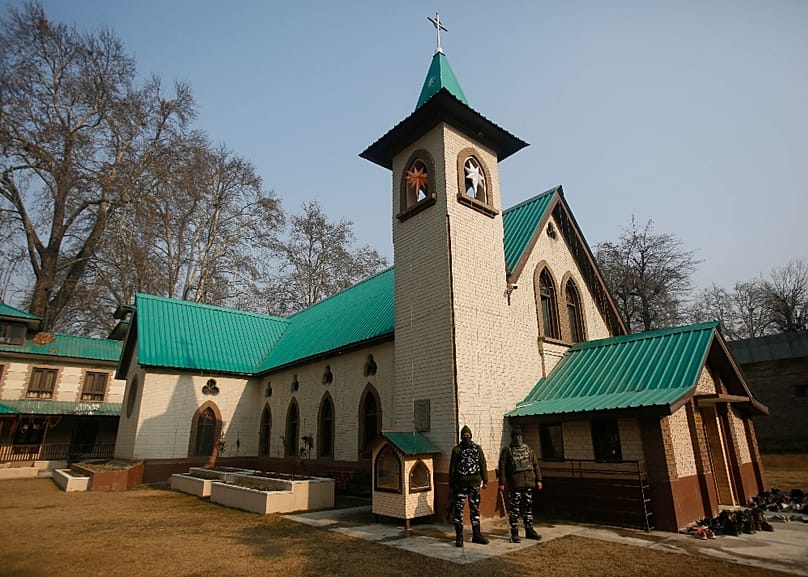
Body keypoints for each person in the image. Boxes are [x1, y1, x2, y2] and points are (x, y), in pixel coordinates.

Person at [498, 425, 543, 543]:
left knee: (528, 508)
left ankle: (529, 530)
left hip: (528, 483)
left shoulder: (528, 449)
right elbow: (502, 467)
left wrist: (539, 480)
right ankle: (515, 532)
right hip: (515, 484)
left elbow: (535, 465)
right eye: (516, 436)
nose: (518, 438)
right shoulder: (507, 450)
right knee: (514, 509)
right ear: (512, 438)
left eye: (519, 436)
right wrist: (502, 482)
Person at [448, 425, 489, 547]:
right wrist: (452, 483)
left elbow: (482, 464)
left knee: (475, 509)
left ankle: (477, 535)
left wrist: (485, 480)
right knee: (459, 511)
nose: (466, 437)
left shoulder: (477, 449)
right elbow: (453, 468)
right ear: (461, 437)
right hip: (460, 485)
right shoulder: (457, 450)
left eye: (468, 435)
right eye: (464, 435)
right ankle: (459, 537)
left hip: (474, 484)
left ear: (471, 435)